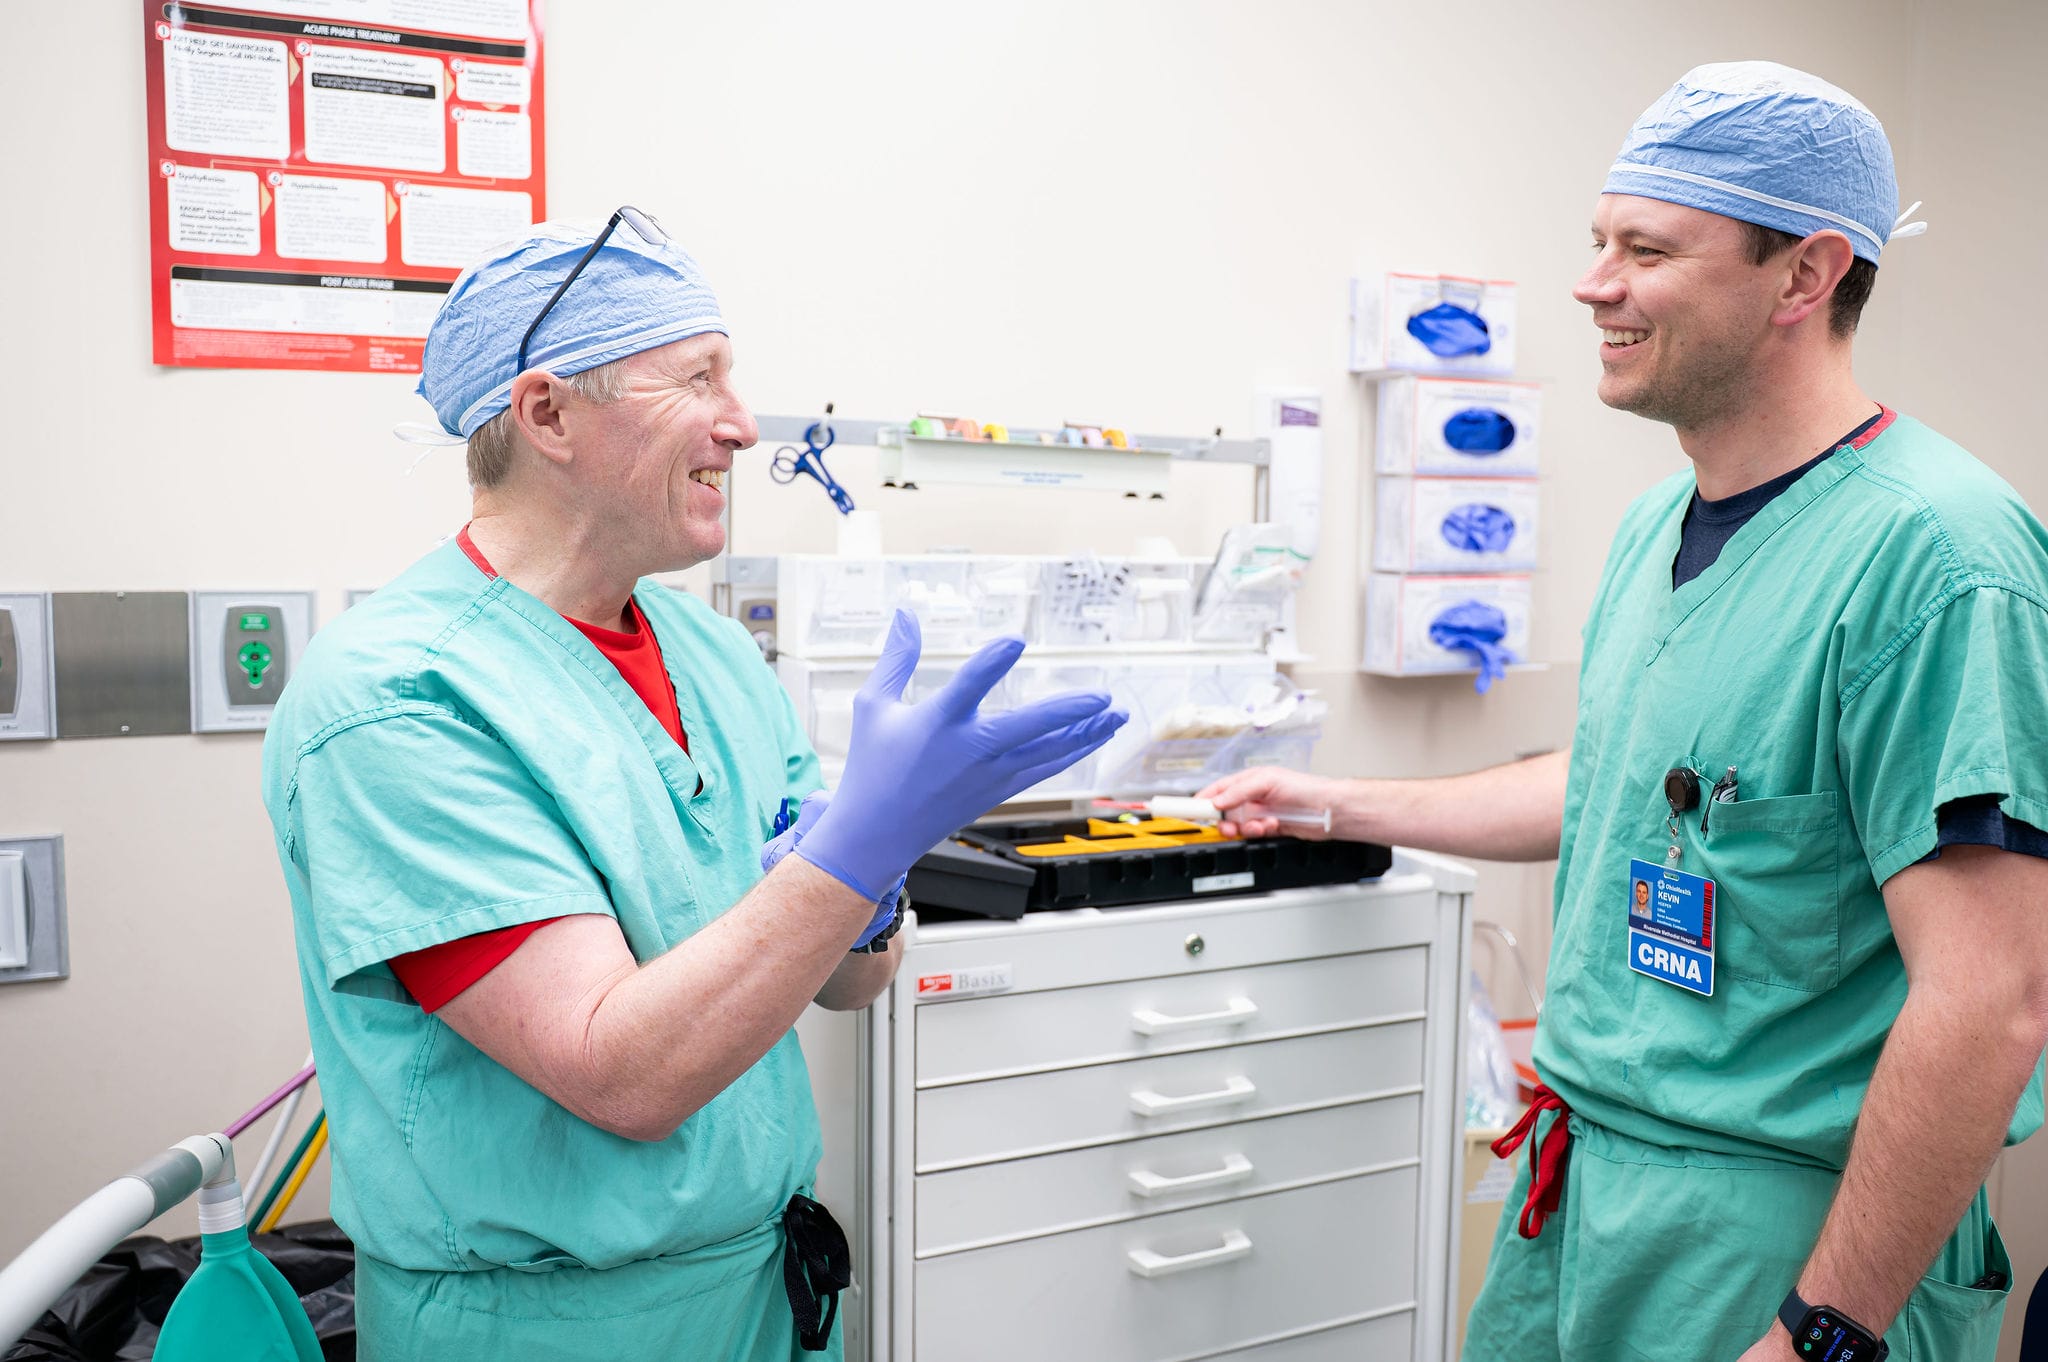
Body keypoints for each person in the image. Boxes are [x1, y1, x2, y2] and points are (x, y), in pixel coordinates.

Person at [1203, 63, 2048, 1361]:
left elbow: (1988, 1003)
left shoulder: (1938, 561)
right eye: (1598, 242)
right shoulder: (1660, 523)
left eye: (1645, 251)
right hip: (1585, 1183)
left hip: (1781, 1238)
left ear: (1805, 275)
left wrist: (1822, 1329)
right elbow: (1628, 780)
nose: (1593, 285)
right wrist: (1337, 802)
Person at [259, 210, 1125, 1360]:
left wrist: (869, 889)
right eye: (698, 377)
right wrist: (852, 854)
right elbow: (619, 1075)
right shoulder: (397, 701)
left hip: (764, 1293)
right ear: (547, 414)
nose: (742, 424)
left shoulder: (712, 655)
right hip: (546, 1327)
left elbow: (850, 985)